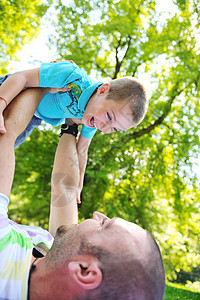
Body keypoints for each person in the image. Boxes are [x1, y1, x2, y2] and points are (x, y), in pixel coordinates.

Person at [0, 88, 165, 300]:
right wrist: (71, 126)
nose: (97, 214)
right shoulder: (54, 255)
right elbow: (65, 188)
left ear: (85, 271)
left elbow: (7, 131)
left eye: (105, 225)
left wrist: (42, 82)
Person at [0, 61, 148, 202]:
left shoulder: (92, 119)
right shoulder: (71, 77)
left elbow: (82, 150)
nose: (104, 127)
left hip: (32, 117)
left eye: (114, 129)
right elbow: (21, 78)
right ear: (102, 90)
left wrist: (78, 184)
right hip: (11, 92)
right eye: (109, 116)